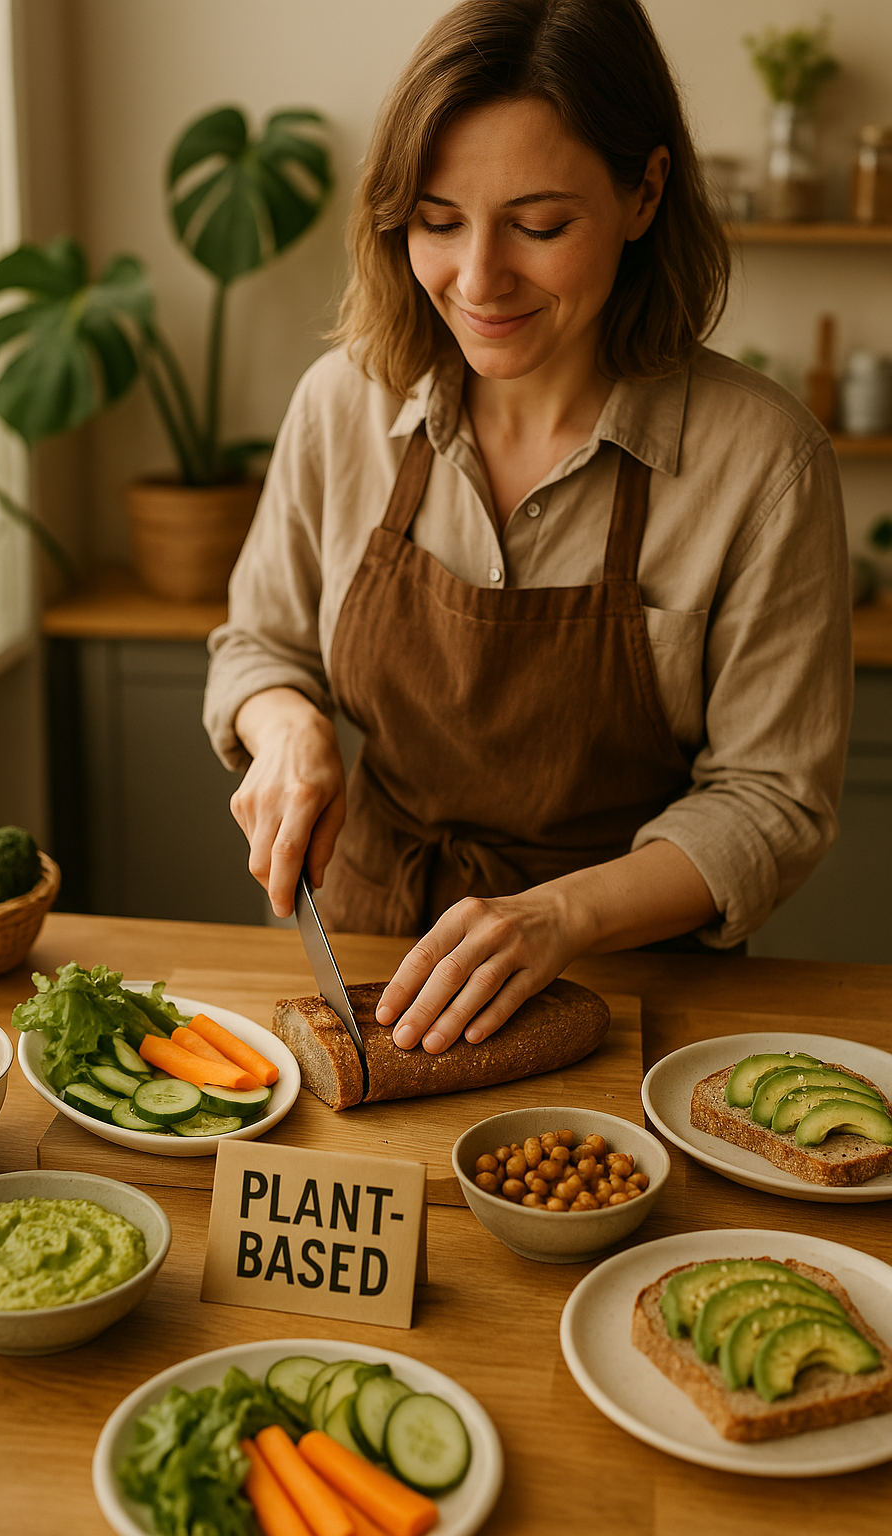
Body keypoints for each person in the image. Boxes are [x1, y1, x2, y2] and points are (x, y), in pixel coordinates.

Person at [205, 0, 851, 1057]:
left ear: (644, 192)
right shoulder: (342, 404)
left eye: (538, 226)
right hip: (369, 948)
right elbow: (259, 644)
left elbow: (770, 798)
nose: (476, 279)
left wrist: (562, 915)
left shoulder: (763, 461)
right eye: (436, 219)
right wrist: (289, 732)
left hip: (629, 985)